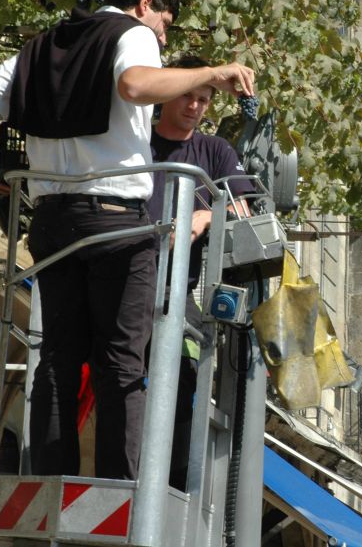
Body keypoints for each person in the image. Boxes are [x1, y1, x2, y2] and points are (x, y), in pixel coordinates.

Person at [0, 0, 255, 480]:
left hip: (52, 220)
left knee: (56, 360)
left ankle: (49, 483)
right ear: (145, 4)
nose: (162, 40)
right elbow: (136, 83)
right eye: (165, 27)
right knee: (121, 363)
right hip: (115, 221)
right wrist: (212, 72)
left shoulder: (45, 43)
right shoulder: (133, 33)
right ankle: (121, 495)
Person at [146, 57, 252, 490]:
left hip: (177, 295)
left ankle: (169, 486)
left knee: (182, 384)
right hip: (123, 280)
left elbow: (243, 207)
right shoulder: (135, 141)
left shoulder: (214, 151)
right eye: (187, 94)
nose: (194, 105)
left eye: (204, 100)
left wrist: (204, 217)